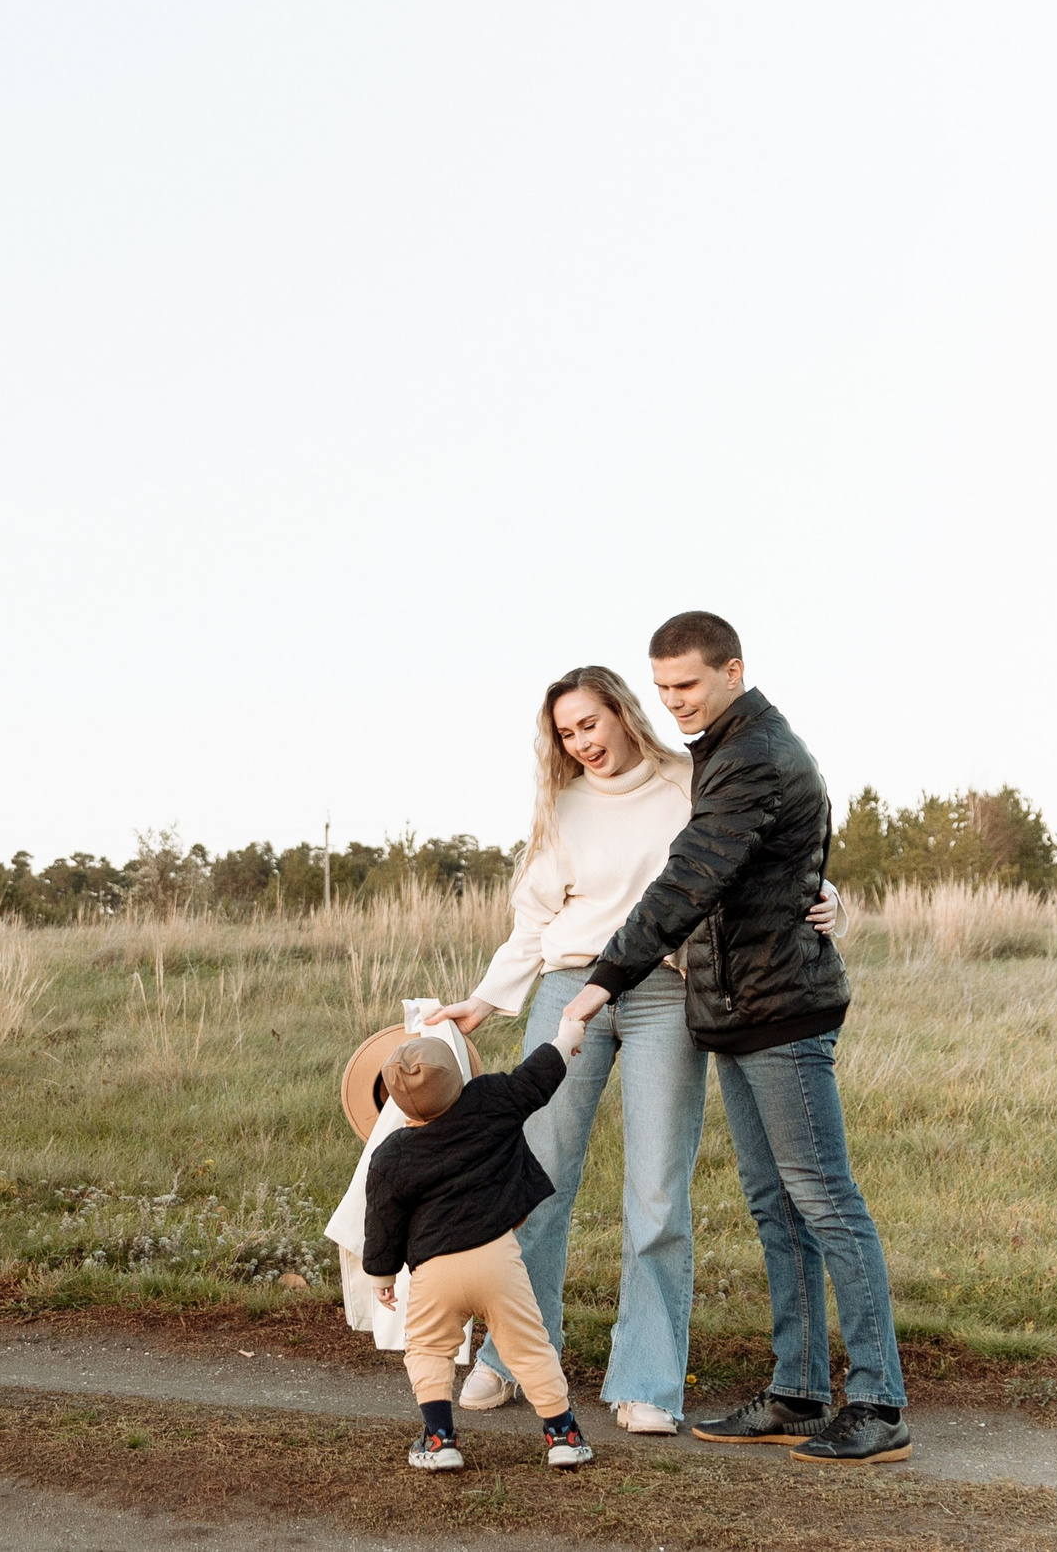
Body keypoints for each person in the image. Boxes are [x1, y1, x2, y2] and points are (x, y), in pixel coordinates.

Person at [425, 668, 840, 1435]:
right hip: (566, 988)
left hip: (665, 994)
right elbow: (532, 921)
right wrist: (485, 999)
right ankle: (512, 1356)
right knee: (536, 1177)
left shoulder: (690, 778)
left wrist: (828, 896)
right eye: (567, 733)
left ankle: (647, 1378)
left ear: (622, 710)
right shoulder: (562, 806)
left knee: (657, 1191)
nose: (582, 743)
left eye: (591, 723)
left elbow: (765, 847)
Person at [557, 610, 909, 1464]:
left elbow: (693, 875)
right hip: (741, 1012)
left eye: (687, 684)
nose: (673, 700)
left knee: (824, 1198)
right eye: (663, 686)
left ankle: (879, 1401)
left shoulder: (753, 753)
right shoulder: (725, 746)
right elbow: (779, 865)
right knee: (775, 1202)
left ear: (732, 669)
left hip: (782, 1011)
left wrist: (607, 974)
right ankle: (796, 1386)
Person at [364, 1029, 595, 1472]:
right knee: (529, 1346)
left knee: (429, 1349)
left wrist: (382, 1275)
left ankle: (439, 1439)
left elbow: (382, 1219)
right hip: (497, 1258)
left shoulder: (392, 1153)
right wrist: (566, 1039)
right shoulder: (490, 1100)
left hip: (435, 1271)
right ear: (457, 1077)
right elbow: (535, 1079)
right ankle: (563, 1435)